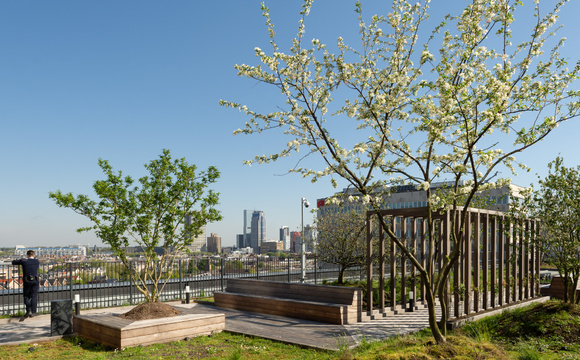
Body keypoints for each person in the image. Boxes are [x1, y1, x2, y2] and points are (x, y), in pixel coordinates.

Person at [12, 250, 40, 318]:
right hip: (35, 280)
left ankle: (28, 310)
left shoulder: (24, 261)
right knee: (34, 296)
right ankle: (33, 312)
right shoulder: (37, 261)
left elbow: (13, 262)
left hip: (27, 281)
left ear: (27, 255)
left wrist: (22, 259)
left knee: (26, 296)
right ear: (34, 255)